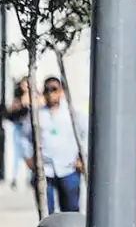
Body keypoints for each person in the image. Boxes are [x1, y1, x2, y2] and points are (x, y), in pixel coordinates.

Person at [18, 77, 87, 213]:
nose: (50, 93)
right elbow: (24, 136)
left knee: (71, 211)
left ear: (61, 91)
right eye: (47, 90)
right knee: (46, 211)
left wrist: (82, 157)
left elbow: (86, 133)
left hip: (69, 168)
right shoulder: (37, 114)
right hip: (45, 170)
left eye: (54, 89)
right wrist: (28, 159)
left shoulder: (72, 113)